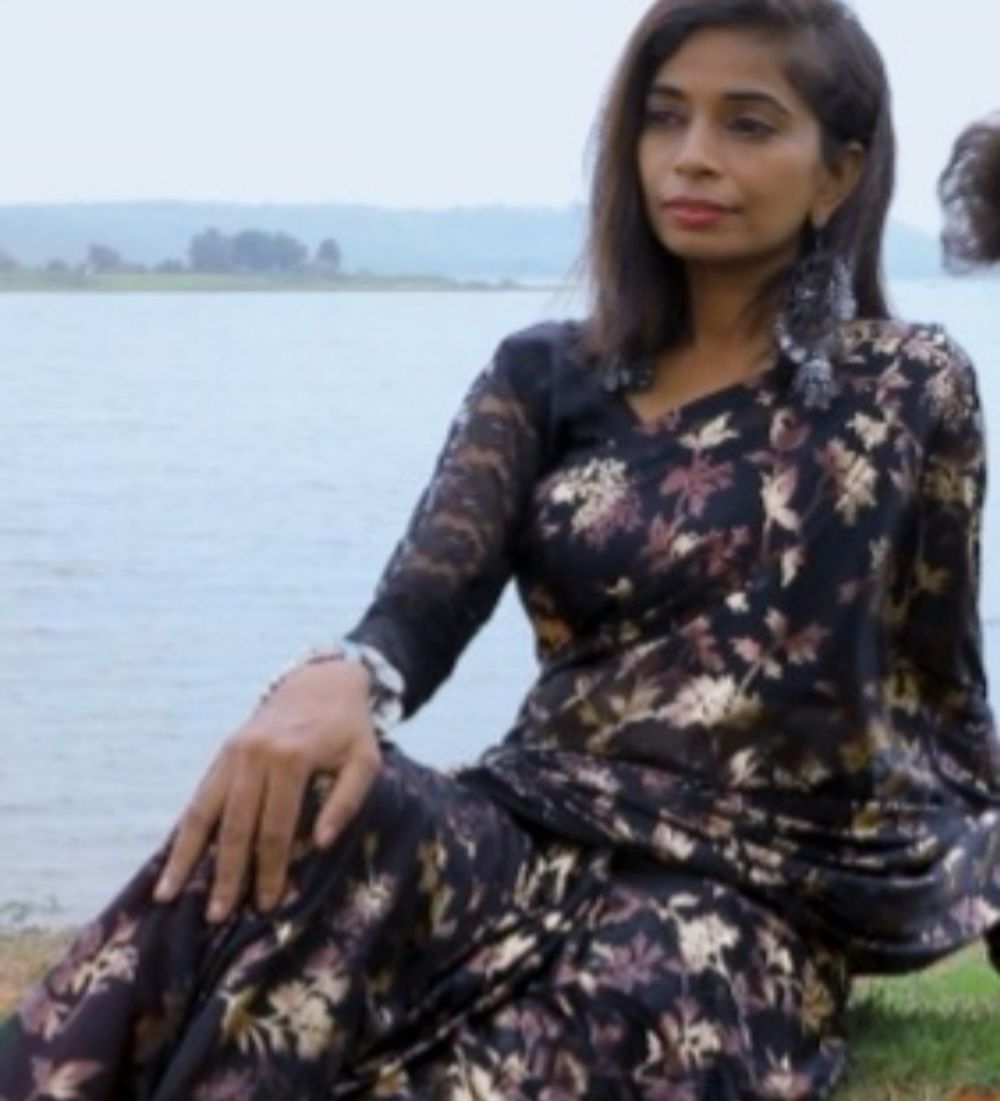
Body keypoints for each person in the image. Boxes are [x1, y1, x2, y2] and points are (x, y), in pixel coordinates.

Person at [2, 0, 999, 1097]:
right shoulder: (545, 373)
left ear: (837, 175)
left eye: (747, 124)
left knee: (620, 997)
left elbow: (939, 681)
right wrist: (344, 675)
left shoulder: (902, 387)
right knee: (326, 804)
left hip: (743, 885)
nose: (692, 156)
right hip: (534, 820)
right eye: (664, 118)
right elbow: (427, 596)